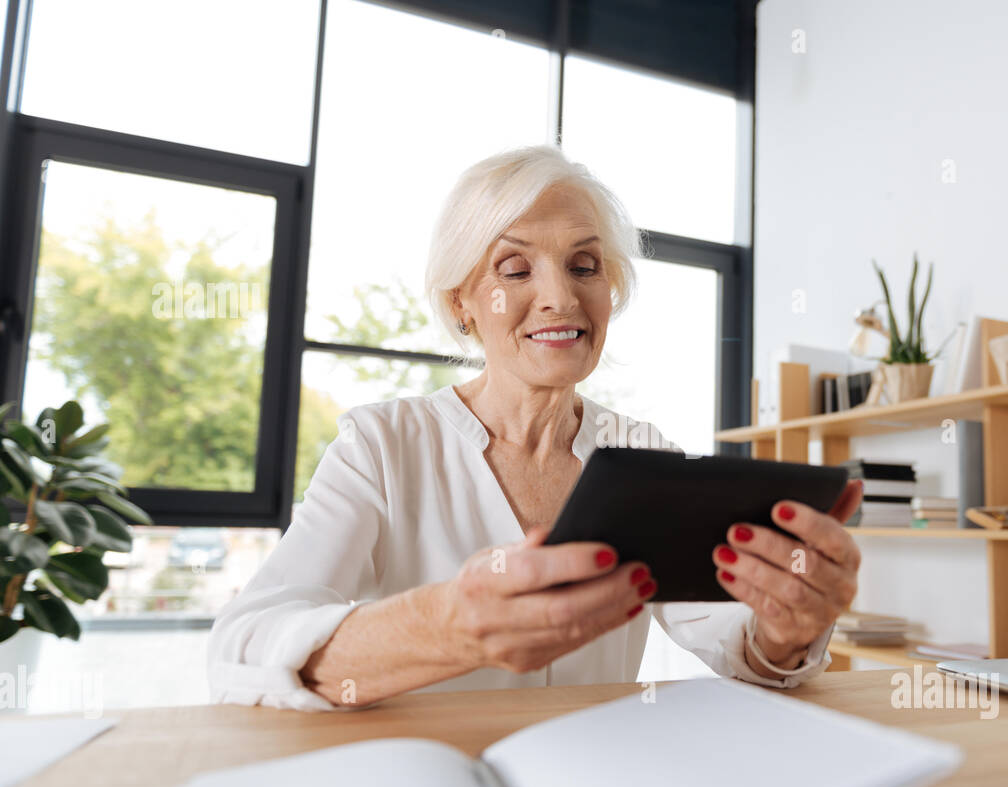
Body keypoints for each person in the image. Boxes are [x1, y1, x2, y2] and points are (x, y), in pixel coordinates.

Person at [207, 145, 863, 711]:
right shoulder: (380, 448)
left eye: (585, 266)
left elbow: (736, 641)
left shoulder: (642, 455)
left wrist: (787, 625)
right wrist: (448, 626)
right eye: (515, 269)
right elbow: (244, 649)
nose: (561, 297)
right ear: (461, 302)